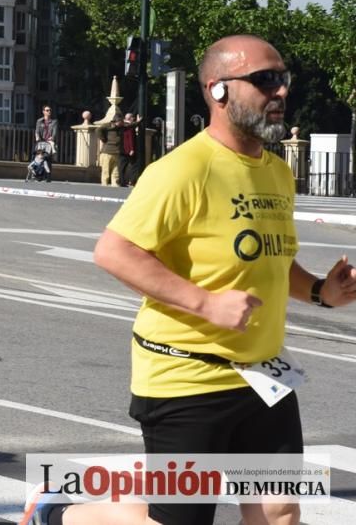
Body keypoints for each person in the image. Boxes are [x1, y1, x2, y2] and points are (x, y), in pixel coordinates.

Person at [23, 34, 356, 525]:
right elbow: (114, 251)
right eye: (265, 80)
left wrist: (320, 293)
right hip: (186, 376)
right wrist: (206, 304)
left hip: (262, 373)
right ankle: (57, 511)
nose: (280, 91)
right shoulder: (183, 169)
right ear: (217, 90)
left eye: (283, 79)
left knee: (280, 512)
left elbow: (273, 260)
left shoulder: (277, 173)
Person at [97, 116, 123, 186]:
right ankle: (104, 183)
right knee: (106, 169)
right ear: (115, 121)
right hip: (107, 152)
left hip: (117, 152)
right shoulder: (107, 126)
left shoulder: (120, 128)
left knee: (116, 170)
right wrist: (103, 138)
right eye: (120, 122)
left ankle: (115, 183)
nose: (121, 123)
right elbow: (98, 130)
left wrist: (137, 122)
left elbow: (129, 125)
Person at [118, 113, 141, 187]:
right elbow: (129, 138)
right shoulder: (129, 126)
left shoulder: (122, 125)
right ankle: (132, 181)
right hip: (128, 150)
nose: (133, 119)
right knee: (134, 165)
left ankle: (122, 181)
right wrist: (131, 149)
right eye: (133, 117)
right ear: (130, 118)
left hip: (122, 149)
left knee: (122, 166)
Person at [34, 105, 58, 175]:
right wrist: (37, 137)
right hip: (41, 141)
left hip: (49, 141)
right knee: (38, 156)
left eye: (50, 110)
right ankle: (37, 172)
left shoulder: (54, 122)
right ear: (43, 112)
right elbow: (37, 131)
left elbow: (55, 132)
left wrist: (52, 137)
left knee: (49, 155)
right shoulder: (39, 121)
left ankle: (54, 155)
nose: (49, 111)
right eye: (47, 110)